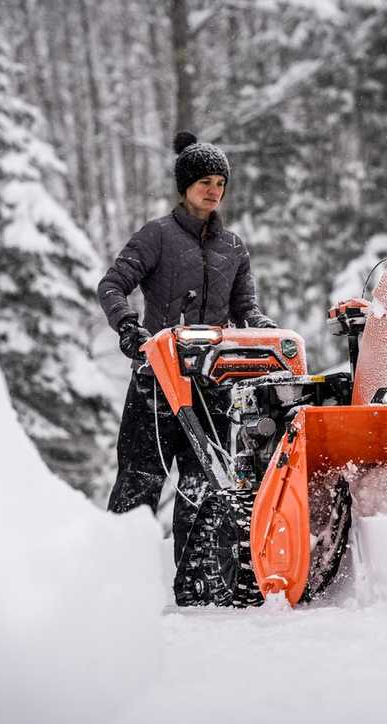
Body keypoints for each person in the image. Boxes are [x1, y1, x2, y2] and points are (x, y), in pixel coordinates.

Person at [97, 131, 275, 546]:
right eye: (204, 183)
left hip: (212, 383)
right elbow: (112, 286)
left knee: (205, 484)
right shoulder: (157, 236)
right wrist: (129, 327)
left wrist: (264, 329)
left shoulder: (233, 247)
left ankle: (199, 590)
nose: (214, 192)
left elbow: (245, 310)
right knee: (141, 478)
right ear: (185, 188)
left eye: (220, 184)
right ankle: (119, 575)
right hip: (157, 381)